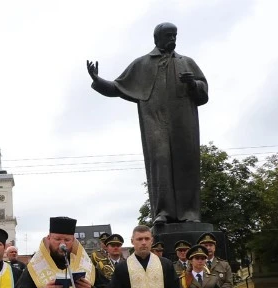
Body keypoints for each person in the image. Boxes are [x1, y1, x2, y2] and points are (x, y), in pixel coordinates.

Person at [87, 23, 208, 224]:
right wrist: (97, 79)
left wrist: (193, 84)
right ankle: (163, 212)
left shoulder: (187, 62)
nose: (173, 39)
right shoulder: (142, 64)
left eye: (175, 35)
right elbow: (117, 87)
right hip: (155, 121)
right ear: (156, 39)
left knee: (186, 163)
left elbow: (204, 92)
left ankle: (190, 213)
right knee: (159, 161)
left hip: (183, 122)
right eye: (168, 35)